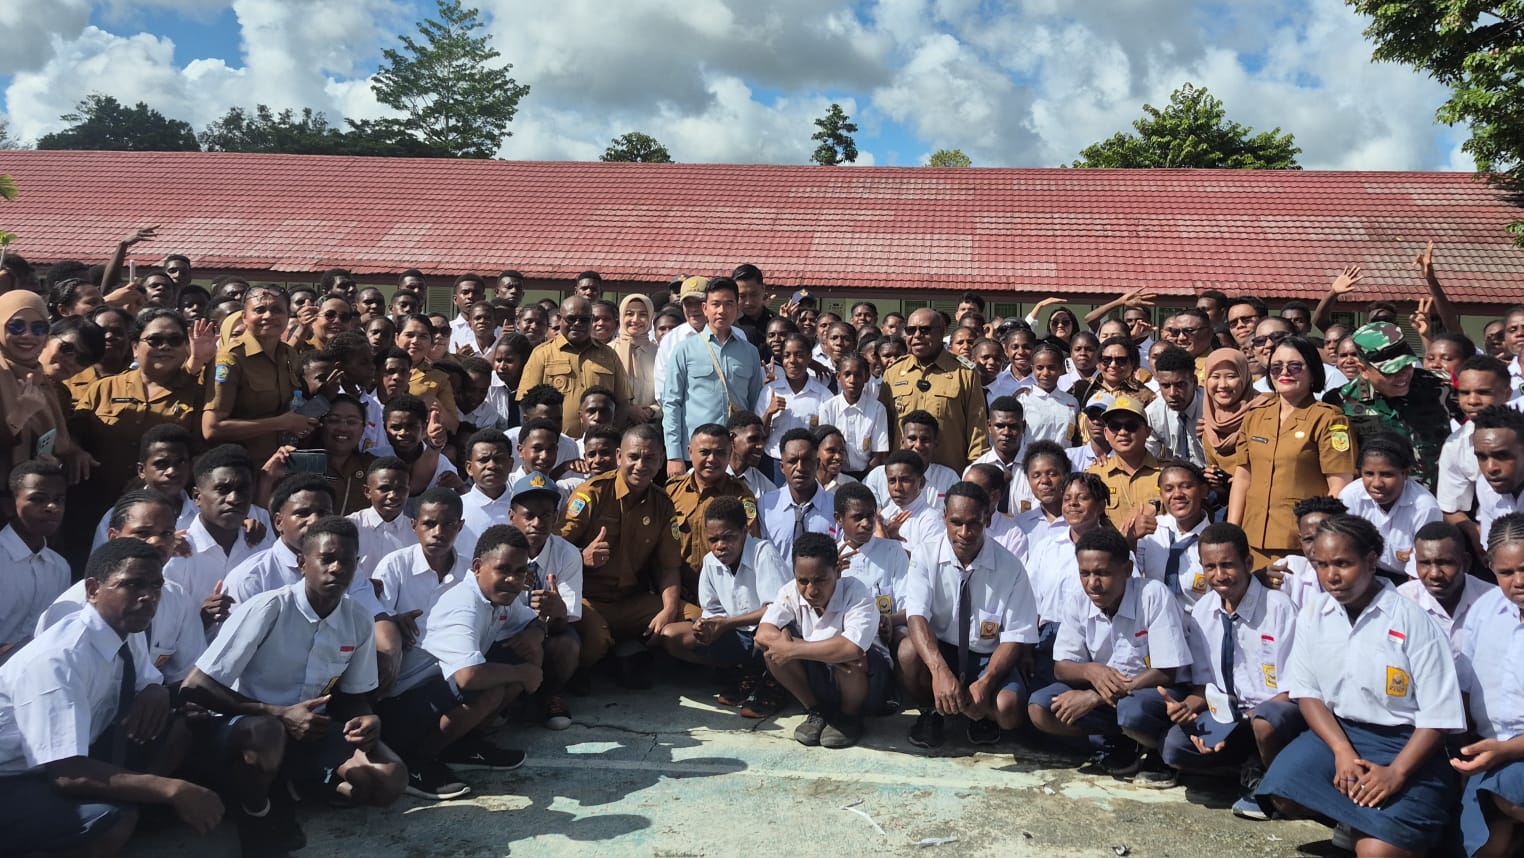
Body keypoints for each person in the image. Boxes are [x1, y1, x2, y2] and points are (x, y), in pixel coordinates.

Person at [0, 539, 226, 858]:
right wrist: (171, 789)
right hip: (14, 777)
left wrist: (156, 690)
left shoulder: (124, 631)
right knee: (110, 819)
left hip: (68, 755)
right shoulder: (59, 659)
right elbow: (67, 773)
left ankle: (140, 812)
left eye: (155, 585)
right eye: (132, 585)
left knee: (180, 727)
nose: (148, 597)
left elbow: (149, 680)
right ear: (93, 590)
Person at [1254, 515, 1464, 857]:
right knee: (1282, 792)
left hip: (1408, 745)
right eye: (1321, 565)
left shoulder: (1412, 621)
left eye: (1343, 564)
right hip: (1343, 735)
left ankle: (1407, 827)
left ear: (1370, 562)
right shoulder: (1314, 613)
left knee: (1375, 853)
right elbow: (1308, 694)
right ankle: (1353, 819)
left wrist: (1396, 773)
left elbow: (1439, 717)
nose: (1331, 576)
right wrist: (1342, 752)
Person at [185, 517, 408, 814]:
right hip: (244, 726)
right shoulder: (269, 608)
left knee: (389, 780)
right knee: (268, 733)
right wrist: (278, 713)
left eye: (347, 561)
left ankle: (298, 782)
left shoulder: (358, 619)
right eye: (327, 559)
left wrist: (367, 720)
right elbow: (195, 685)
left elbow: (355, 697)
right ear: (303, 563)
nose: (338, 569)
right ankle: (256, 814)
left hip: (308, 730)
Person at [1159, 522, 1302, 818]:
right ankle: (1240, 767)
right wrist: (1188, 708)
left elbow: (1294, 690)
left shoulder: (1279, 608)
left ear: (1248, 563)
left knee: (1266, 720)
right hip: (1229, 714)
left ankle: (1270, 785)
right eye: (1210, 567)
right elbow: (1204, 686)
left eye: (1228, 565)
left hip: (1272, 714)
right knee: (1174, 747)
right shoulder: (1202, 612)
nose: (1219, 576)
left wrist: (1246, 718)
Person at [1028, 528, 1190, 787]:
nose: (1092, 583)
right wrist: (1090, 671)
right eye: (1085, 573)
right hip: (1110, 696)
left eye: (1102, 573)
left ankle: (1160, 752)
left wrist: (1096, 696)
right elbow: (1062, 666)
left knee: (1132, 712)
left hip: (1155, 694)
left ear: (1126, 570)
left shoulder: (1153, 595)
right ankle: (1119, 742)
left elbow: (1167, 671)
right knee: (1041, 707)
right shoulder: (1079, 599)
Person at [900, 483, 1040, 748]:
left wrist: (986, 682)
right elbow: (916, 616)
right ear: (944, 518)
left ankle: (978, 713)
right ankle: (932, 711)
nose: (965, 532)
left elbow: (1015, 636)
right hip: (943, 649)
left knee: (1008, 710)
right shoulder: (925, 554)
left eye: (974, 523)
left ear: (987, 519)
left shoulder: (1011, 567)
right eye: (956, 522)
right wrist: (939, 670)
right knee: (907, 652)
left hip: (987, 656)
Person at [559, 425, 700, 686]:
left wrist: (668, 610)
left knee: (697, 621)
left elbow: (669, 567)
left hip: (630, 601)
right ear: (619, 457)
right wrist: (581, 556)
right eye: (633, 457)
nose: (640, 465)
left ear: (660, 461)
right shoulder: (592, 494)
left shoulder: (663, 504)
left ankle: (631, 651)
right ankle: (613, 659)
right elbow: (554, 549)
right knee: (595, 641)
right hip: (588, 600)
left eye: (649, 458)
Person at [757, 533, 893, 748]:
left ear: (838, 572)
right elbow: (762, 634)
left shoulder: (856, 592)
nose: (811, 590)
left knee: (848, 658)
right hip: (824, 672)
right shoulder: (790, 591)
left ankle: (850, 717)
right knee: (773, 654)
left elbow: (851, 647)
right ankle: (817, 710)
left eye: (821, 579)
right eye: (803, 581)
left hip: (868, 681)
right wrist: (790, 648)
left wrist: (793, 648)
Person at [1229, 337, 1356, 569]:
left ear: (1313, 372)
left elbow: (1340, 486)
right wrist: (1232, 532)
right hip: (1252, 539)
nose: (1284, 372)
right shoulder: (1255, 417)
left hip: (1302, 544)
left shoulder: (1329, 418)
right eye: (1276, 367)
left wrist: (1323, 538)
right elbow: (1242, 477)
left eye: (1295, 366)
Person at [660, 497, 789, 717]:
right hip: (736, 634)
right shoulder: (710, 561)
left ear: (744, 531)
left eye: (728, 537)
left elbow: (778, 609)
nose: (720, 546)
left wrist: (727, 624)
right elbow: (712, 610)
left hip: (768, 632)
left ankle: (774, 682)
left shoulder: (762, 552)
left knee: (770, 636)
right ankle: (743, 671)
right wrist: (706, 626)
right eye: (714, 539)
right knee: (672, 636)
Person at [1454, 512, 1524, 856]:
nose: (1518, 580)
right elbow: (1466, 688)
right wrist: (1463, 749)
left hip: (1509, 754)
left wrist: (1505, 752)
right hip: (1489, 751)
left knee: (1508, 797)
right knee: (1484, 848)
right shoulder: (1485, 610)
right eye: (1506, 572)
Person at [1333, 322, 1453, 493]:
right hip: (1378, 504)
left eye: (1406, 365)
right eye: (1391, 371)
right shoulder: (1341, 402)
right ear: (1363, 370)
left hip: (1438, 502)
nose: (1403, 375)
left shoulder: (1441, 387)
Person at [663, 278, 765, 476]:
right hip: (696, 453)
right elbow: (671, 403)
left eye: (729, 304)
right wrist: (674, 455)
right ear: (705, 308)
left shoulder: (750, 352)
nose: (722, 311)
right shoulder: (684, 350)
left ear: (737, 307)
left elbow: (754, 404)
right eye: (716, 304)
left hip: (736, 453)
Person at [504, 472, 582, 729]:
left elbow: (566, 620)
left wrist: (557, 611)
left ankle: (551, 694)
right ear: (511, 516)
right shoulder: (497, 552)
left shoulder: (567, 554)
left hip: (549, 632)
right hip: (503, 631)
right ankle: (508, 699)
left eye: (546, 515)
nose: (537, 522)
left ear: (556, 518)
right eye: (529, 515)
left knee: (567, 645)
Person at [878, 307, 989, 471]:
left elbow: (977, 428)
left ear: (942, 332)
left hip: (949, 473)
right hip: (904, 476)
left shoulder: (964, 373)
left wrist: (975, 469)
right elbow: (884, 427)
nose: (917, 336)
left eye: (925, 330)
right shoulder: (893, 372)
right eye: (911, 330)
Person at [0, 290, 92, 486]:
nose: (28, 335)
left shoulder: (42, 382)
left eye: (39, 328)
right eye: (16, 326)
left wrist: (53, 462)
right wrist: (19, 415)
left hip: (26, 499)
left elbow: (51, 444)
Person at [666, 423, 760, 599]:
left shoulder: (740, 496)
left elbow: (748, 547)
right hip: (678, 591)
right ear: (690, 452)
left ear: (730, 454)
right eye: (704, 452)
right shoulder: (672, 492)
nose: (712, 459)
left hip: (723, 593)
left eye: (720, 453)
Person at [518, 295, 632, 437]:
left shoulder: (609, 355)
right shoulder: (541, 354)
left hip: (597, 446)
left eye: (584, 319)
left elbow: (623, 403)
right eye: (571, 318)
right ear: (560, 319)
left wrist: (607, 434)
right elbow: (527, 404)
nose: (577, 324)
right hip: (555, 444)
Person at [1437, 355, 1513, 557]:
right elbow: (1451, 506)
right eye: (1464, 392)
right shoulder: (1455, 445)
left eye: (1483, 392)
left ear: (1507, 393)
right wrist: (1475, 533)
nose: (1472, 401)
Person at [1338, 433, 1441, 576]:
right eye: (1368, 474)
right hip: (1365, 574)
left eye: (1387, 475)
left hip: (1410, 579)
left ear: (1405, 473)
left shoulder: (1425, 507)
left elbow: (1422, 567)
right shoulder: (1351, 496)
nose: (1376, 484)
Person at [0, 462, 71, 663]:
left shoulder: (59, 567)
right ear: (9, 506)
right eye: (37, 499)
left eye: (59, 500)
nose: (52, 507)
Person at [1396, 520, 1490, 652]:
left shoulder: (1492, 602)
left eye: (1444, 563)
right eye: (1425, 563)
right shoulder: (1401, 602)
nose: (1434, 574)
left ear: (1466, 563)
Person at [1134, 462, 1212, 610]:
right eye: (1169, 489)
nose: (1177, 495)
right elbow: (1129, 576)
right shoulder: (1150, 532)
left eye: (1186, 486)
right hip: (1153, 622)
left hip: (1198, 627)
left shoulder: (1215, 540)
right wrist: (1129, 540)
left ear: (1203, 491)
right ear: (1161, 495)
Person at [1086, 395, 1163, 537]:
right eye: (1115, 426)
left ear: (1147, 432)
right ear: (1106, 433)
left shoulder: (1168, 473)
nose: (1122, 432)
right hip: (1116, 555)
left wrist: (1159, 509)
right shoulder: (1094, 475)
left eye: (1131, 426)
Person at [1200, 347, 1269, 504]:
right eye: (1215, 376)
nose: (1223, 385)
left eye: (1231, 376)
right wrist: (1216, 483)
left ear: (1245, 377)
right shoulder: (1209, 422)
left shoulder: (1266, 410)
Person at [758, 429, 838, 561]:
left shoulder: (835, 506)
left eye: (806, 460)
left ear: (817, 464)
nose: (800, 467)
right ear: (782, 467)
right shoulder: (765, 506)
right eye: (792, 461)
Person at [863, 410, 960, 510]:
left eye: (925, 439)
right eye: (912, 438)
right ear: (902, 442)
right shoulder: (877, 477)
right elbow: (872, 519)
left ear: (934, 444)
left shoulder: (949, 479)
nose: (918, 445)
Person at [818, 353, 889, 480]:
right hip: (836, 475)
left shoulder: (877, 409)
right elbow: (824, 449)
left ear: (866, 377)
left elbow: (878, 453)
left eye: (858, 375)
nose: (852, 380)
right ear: (838, 377)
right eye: (847, 375)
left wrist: (866, 481)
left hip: (867, 474)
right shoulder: (828, 408)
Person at [349, 456, 415, 579]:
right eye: (384, 489)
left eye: (400, 489)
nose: (393, 495)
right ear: (367, 491)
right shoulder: (351, 527)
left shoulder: (416, 532)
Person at [1470, 404, 1524, 545]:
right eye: (1481, 457)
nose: (1490, 468)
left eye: (1502, 456)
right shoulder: (1484, 486)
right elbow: (1492, 549)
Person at [1144, 346, 1205, 467]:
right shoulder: (1153, 413)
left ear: (1194, 381)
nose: (1172, 393)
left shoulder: (1212, 407)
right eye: (1165, 386)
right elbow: (1149, 458)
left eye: (1180, 385)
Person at [1015, 343, 1077, 445]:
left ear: (1061, 369)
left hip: (1065, 460)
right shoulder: (1023, 400)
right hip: (1031, 459)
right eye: (1040, 368)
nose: (1045, 373)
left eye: (1051, 368)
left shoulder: (1071, 402)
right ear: (1032, 369)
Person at [610, 293, 658, 421]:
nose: (635, 320)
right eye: (629, 314)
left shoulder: (660, 354)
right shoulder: (608, 351)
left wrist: (652, 410)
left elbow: (669, 393)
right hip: (615, 426)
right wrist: (627, 410)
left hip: (649, 427)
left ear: (651, 317)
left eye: (643, 314)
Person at [727, 411, 778, 499]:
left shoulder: (767, 489)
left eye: (763, 439)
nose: (761, 446)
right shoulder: (707, 477)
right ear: (732, 439)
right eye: (753, 439)